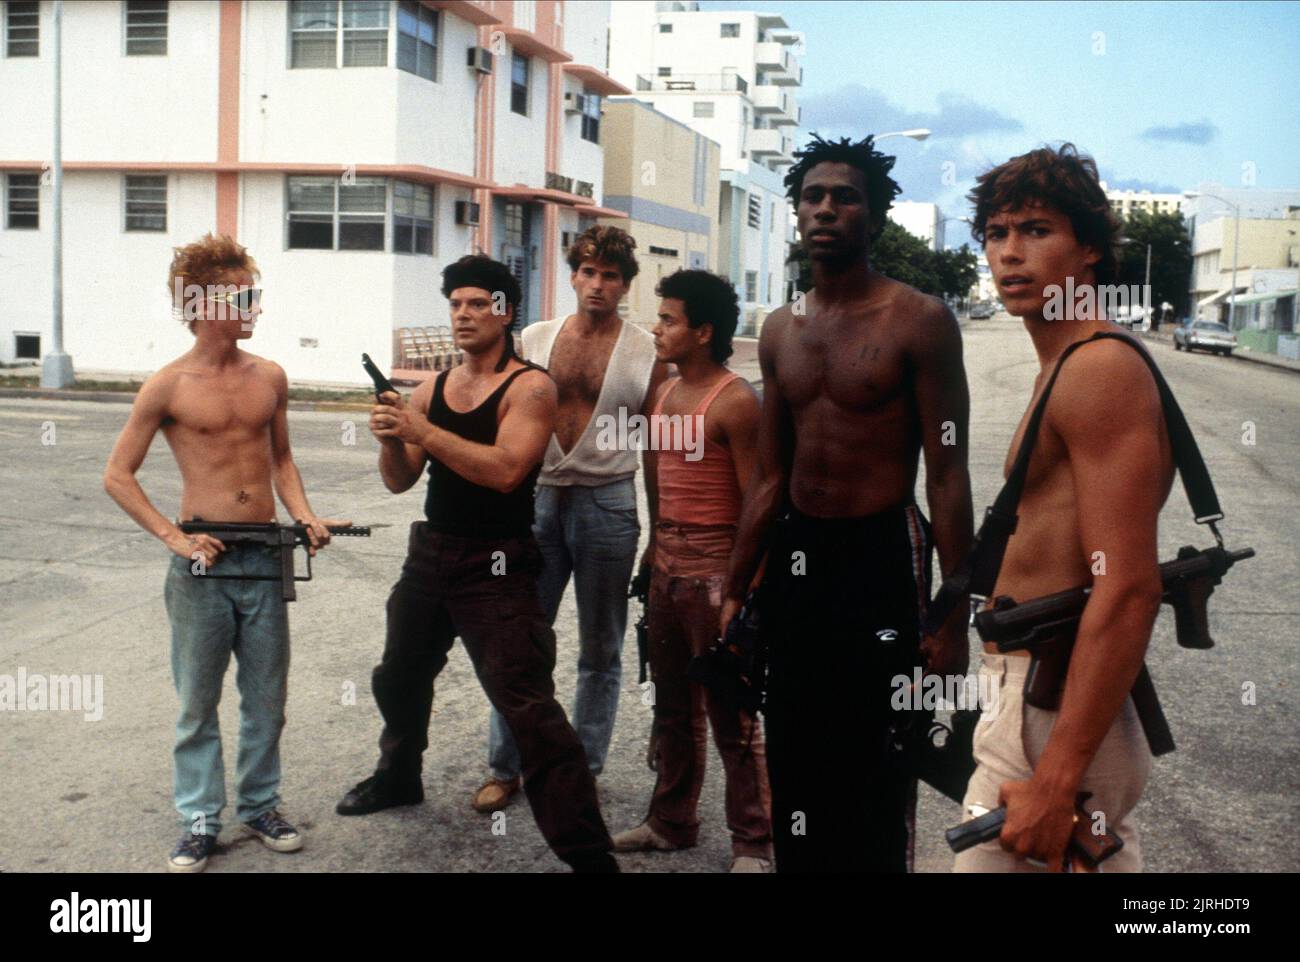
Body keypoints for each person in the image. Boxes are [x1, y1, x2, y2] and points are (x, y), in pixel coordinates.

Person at [720, 135, 975, 873]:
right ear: (796, 212)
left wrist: (951, 616)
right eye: (813, 196)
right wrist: (737, 587)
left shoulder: (918, 320)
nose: (826, 209)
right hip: (801, 557)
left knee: (880, 753)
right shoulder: (780, 329)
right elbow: (770, 475)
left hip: (882, 554)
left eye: (846, 196)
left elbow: (948, 474)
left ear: (876, 215)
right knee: (794, 744)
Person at [335, 254, 617, 873]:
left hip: (497, 565)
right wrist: (393, 438)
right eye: (455, 305)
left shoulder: (531, 386)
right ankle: (398, 776)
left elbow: (507, 470)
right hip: (431, 552)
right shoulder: (433, 388)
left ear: (504, 311)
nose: (463, 315)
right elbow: (399, 481)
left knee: (530, 709)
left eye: (476, 304)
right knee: (398, 677)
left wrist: (423, 431)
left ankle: (590, 856)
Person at [953, 144, 1172, 872]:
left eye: (1036, 230)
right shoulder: (1066, 361)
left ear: (1088, 248)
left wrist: (1055, 779)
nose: (1011, 253)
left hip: (1057, 705)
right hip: (1030, 695)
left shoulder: (1099, 366)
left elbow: (1129, 583)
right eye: (996, 232)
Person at [103, 233, 341, 873]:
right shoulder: (168, 386)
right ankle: (200, 818)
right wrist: (175, 537)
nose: (253, 306)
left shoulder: (269, 376)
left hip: (265, 560)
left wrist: (305, 515)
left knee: (267, 698)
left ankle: (260, 803)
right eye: (242, 296)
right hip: (202, 566)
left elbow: (282, 459)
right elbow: (118, 476)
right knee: (197, 702)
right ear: (201, 304)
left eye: (254, 294)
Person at [476, 226, 667, 813]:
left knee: (600, 647)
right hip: (538, 496)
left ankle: (582, 768)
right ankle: (505, 766)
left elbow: (658, 444)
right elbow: (502, 417)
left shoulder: (645, 350)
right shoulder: (534, 338)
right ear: (572, 275)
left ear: (625, 284)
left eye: (610, 275)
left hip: (608, 498)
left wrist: (660, 533)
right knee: (520, 639)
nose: (597, 285)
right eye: (587, 272)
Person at [609, 269, 773, 872]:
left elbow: (756, 499)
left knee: (732, 711)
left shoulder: (734, 401)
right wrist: (653, 551)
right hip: (667, 569)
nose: (656, 328)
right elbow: (656, 478)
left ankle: (753, 842)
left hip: (714, 571)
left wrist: (741, 589)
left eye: (669, 320)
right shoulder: (663, 394)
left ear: (703, 332)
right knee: (672, 708)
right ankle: (670, 823)